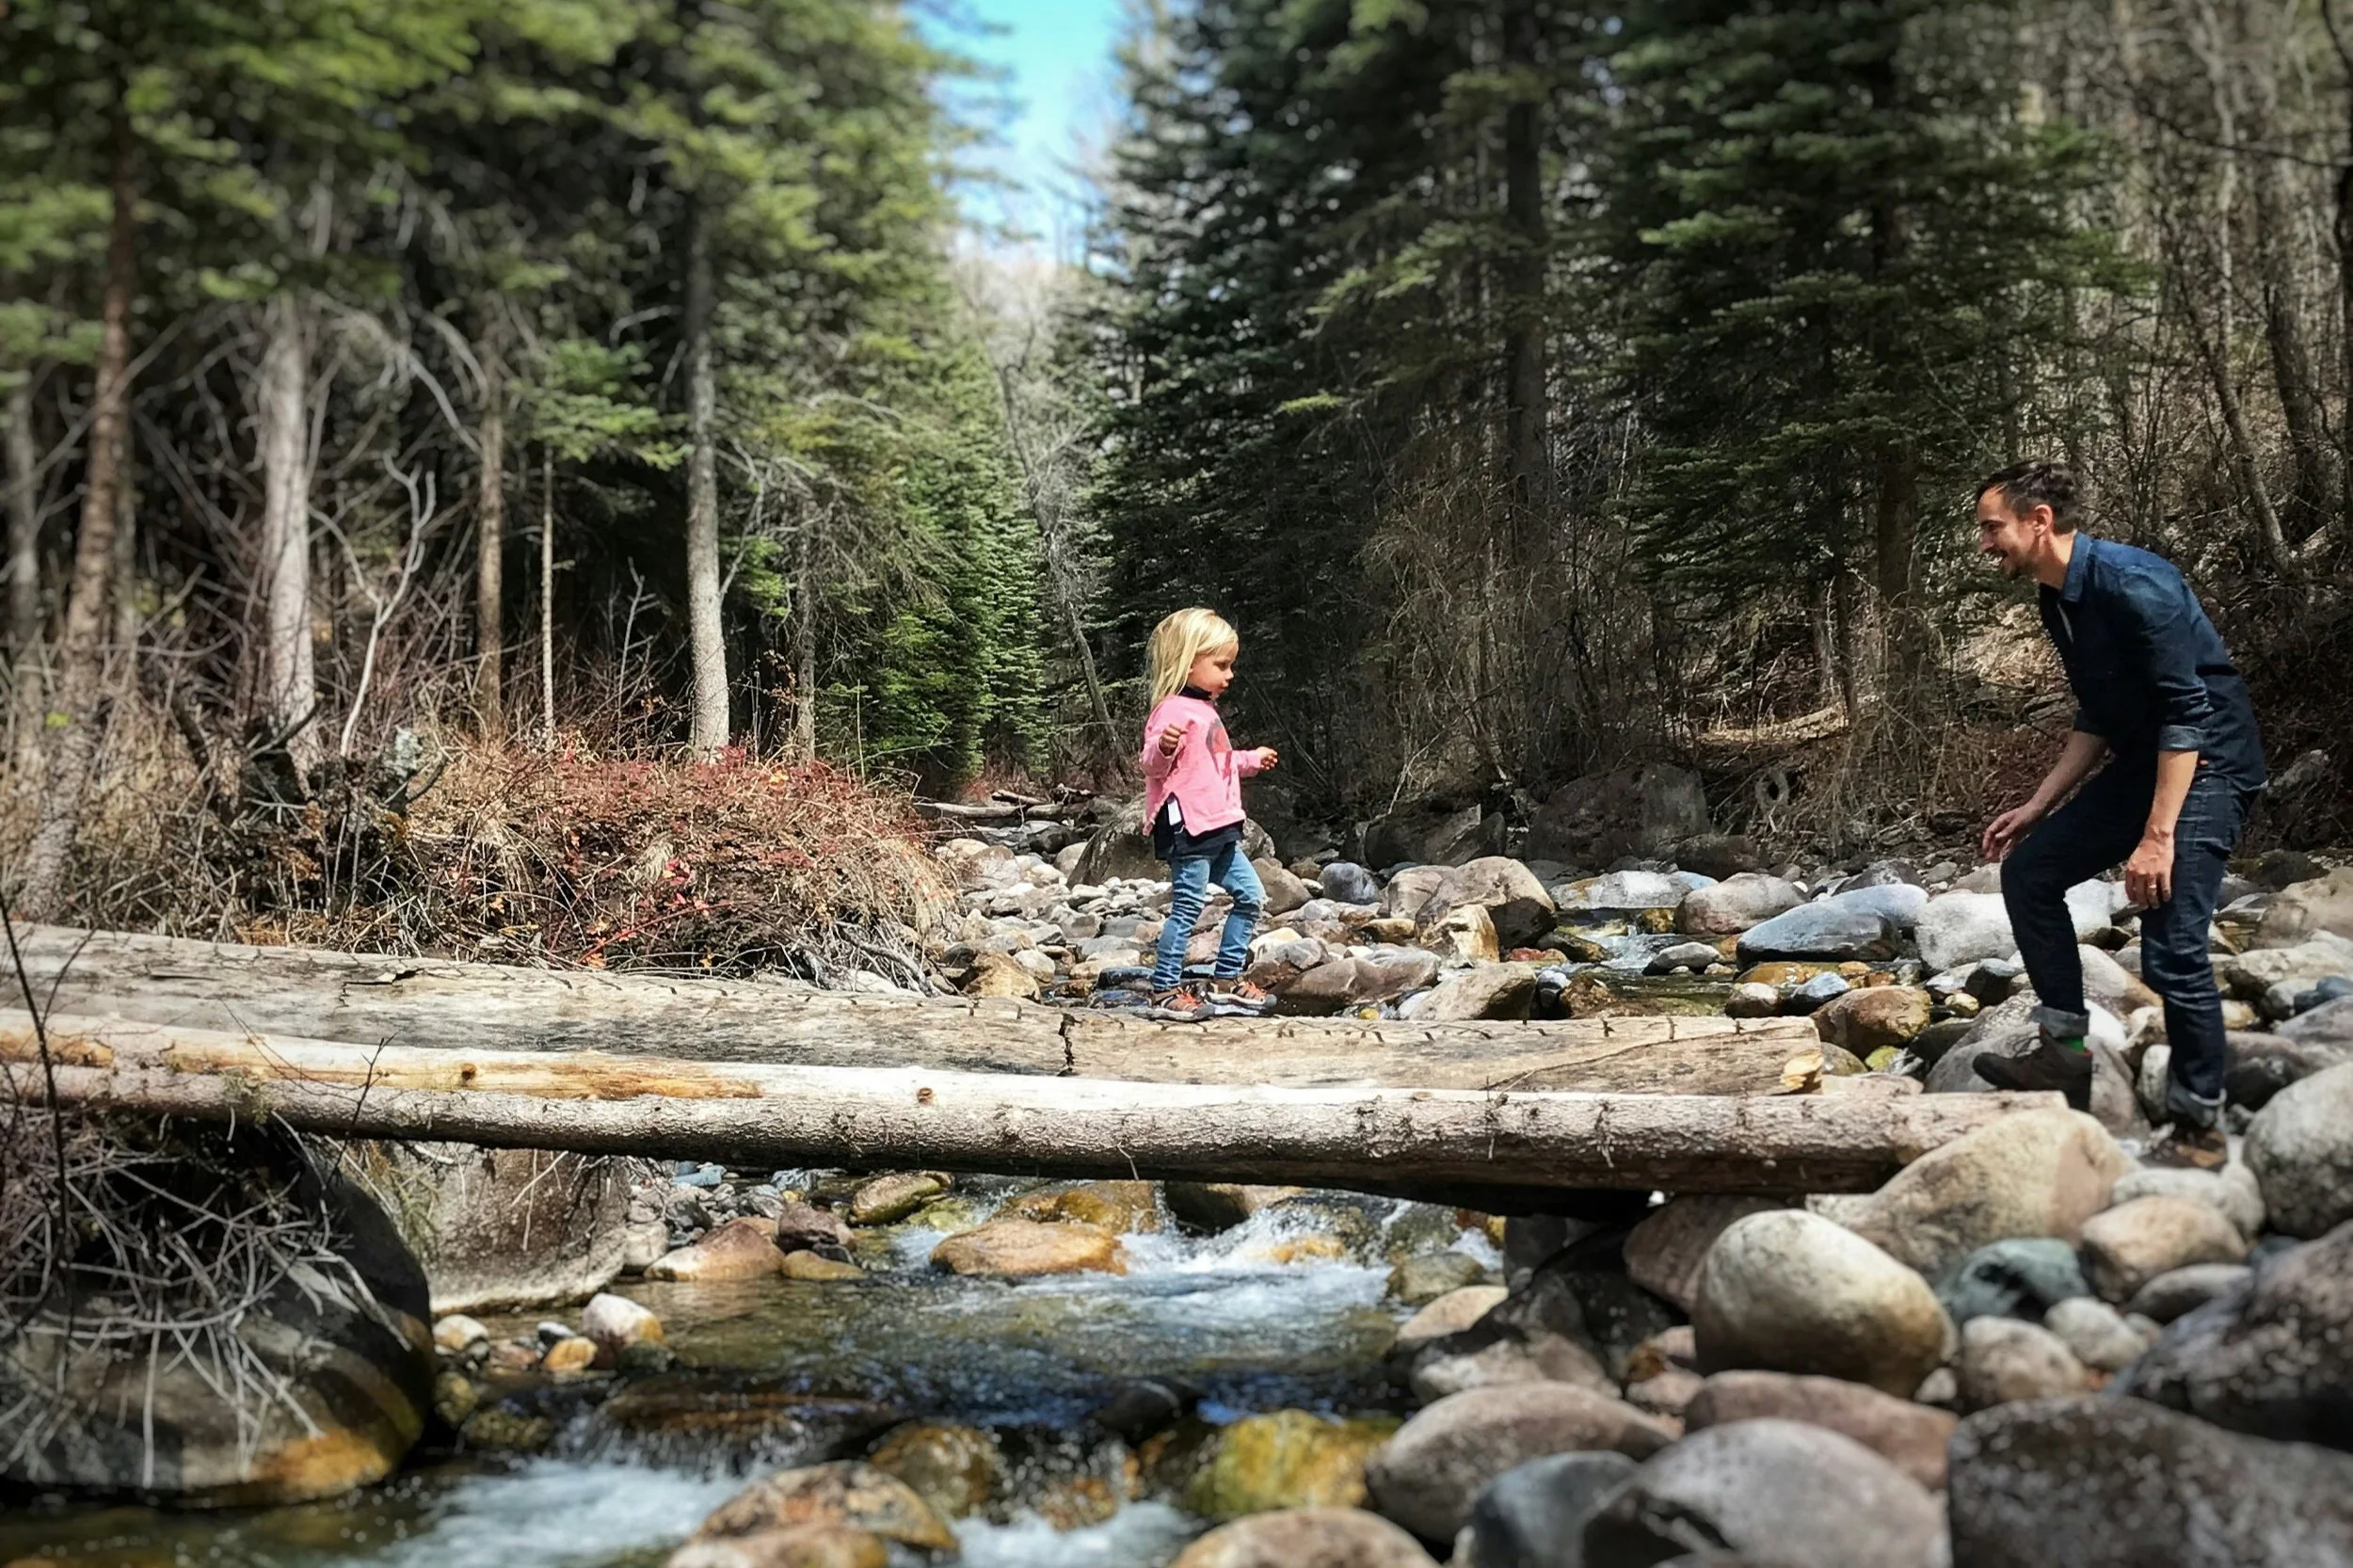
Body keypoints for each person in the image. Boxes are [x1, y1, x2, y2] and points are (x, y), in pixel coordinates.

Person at [1972, 461, 2265, 1169]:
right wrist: (2039, 805)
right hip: (2145, 762)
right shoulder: (2056, 597)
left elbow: (2188, 715)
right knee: (2031, 873)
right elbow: (2100, 715)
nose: (1984, 544)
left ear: (2038, 520)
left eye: (1992, 528)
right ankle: (2066, 1052)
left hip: (2210, 765)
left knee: (2171, 947)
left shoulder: (2136, 584)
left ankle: (2200, 1130)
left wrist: (2159, 836)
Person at [1138, 607, 1281, 1021]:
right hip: (1188, 827)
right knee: (1187, 906)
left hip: (1220, 825)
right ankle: (1164, 988)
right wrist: (1163, 746)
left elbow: (1216, 761)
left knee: (1251, 897)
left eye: (1230, 665)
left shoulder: (1206, 710)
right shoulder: (1171, 710)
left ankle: (1225, 981)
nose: (1229, 675)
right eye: (1220, 665)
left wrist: (1251, 759)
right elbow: (1150, 764)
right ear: (1187, 661)